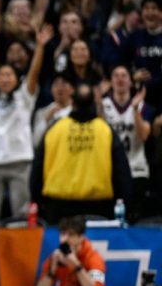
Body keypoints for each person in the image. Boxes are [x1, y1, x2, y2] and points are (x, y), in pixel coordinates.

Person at [0, 22, 52, 217]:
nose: (5, 79)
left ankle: (20, 247)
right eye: (2, 75)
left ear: (16, 79)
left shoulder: (25, 96)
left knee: (21, 214)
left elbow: (34, 72)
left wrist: (40, 47)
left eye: (9, 75)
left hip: (20, 161)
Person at [30, 84, 133, 223]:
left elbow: (38, 167)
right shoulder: (105, 131)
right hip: (98, 208)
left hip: (59, 209)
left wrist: (37, 199)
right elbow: (121, 171)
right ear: (94, 103)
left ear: (72, 103)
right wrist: (124, 202)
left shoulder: (55, 129)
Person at [22, 216, 112, 286]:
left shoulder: (94, 257)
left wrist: (76, 266)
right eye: (62, 234)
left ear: (81, 237)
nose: (64, 239)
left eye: (70, 235)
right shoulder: (56, 257)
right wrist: (52, 270)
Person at [101, 65, 154, 222]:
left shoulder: (143, 106)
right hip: (110, 170)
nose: (120, 79)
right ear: (110, 82)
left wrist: (135, 109)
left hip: (136, 169)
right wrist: (97, 105)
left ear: (131, 82)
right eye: (116, 75)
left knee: (134, 219)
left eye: (124, 75)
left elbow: (144, 135)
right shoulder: (102, 105)